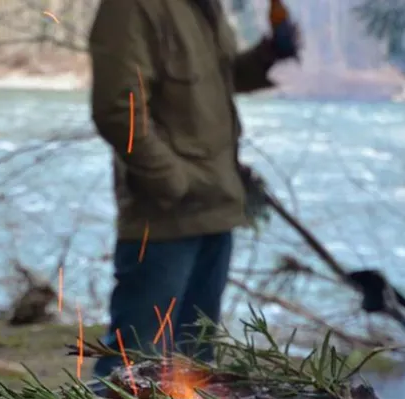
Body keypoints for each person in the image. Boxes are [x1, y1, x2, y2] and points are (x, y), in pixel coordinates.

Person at [88, 0, 300, 377]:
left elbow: (219, 79)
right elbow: (119, 109)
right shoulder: (134, 7)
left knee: (194, 367)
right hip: (164, 219)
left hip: (216, 209)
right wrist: (173, 182)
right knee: (133, 368)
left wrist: (268, 54)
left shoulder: (203, 6)